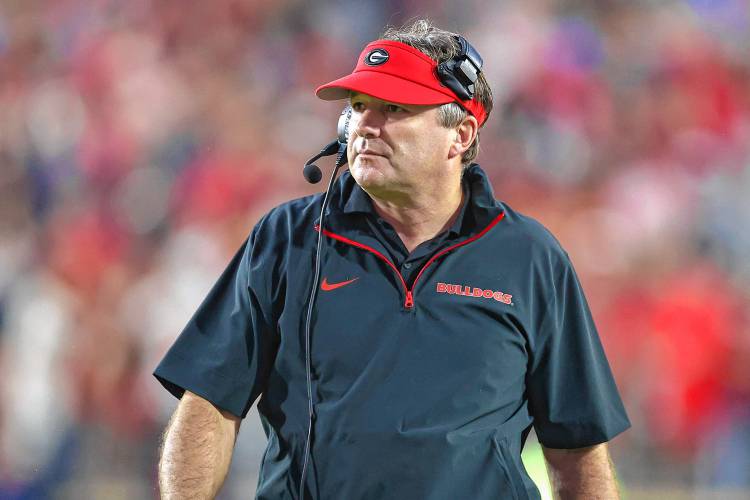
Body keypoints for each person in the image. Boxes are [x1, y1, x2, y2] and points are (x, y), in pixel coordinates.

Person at [155, 19, 630, 500]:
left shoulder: (530, 257)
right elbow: (209, 404)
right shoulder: (287, 239)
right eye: (359, 106)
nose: (364, 124)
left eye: (395, 108)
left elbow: (577, 447)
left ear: (460, 134)